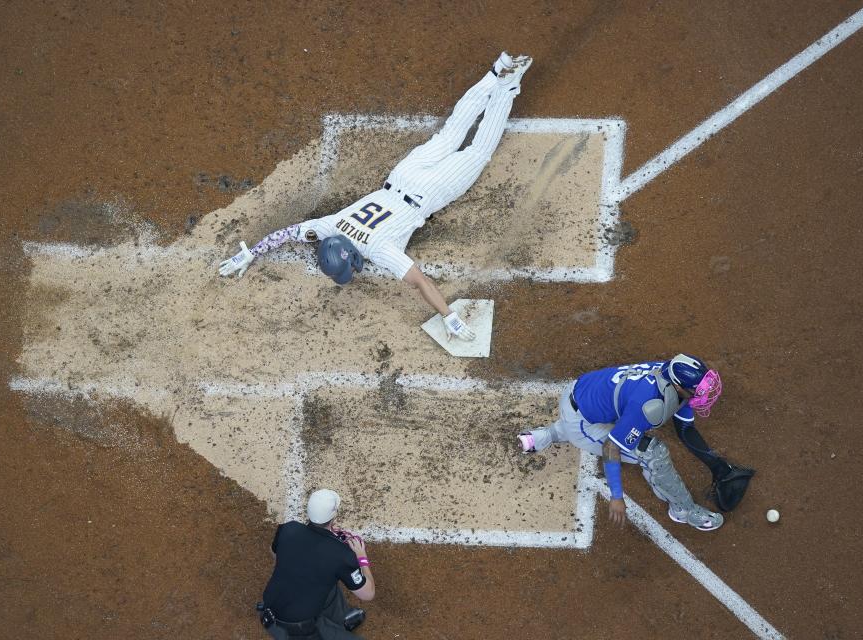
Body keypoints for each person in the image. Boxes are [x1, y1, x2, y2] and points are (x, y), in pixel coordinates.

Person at [219, 52, 533, 341]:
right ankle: (496, 72)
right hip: (402, 174)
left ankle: (507, 85)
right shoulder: (332, 225)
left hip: (431, 190)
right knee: (451, 133)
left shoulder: (378, 250)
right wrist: (252, 252)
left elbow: (421, 282)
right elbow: (288, 233)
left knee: (478, 151)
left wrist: (448, 316)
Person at [517, 354, 729, 532]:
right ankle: (683, 510)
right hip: (582, 421)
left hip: (584, 392)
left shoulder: (668, 375)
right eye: (697, 391)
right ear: (678, 385)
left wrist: (717, 466)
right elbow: (611, 447)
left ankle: (540, 437)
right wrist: (616, 496)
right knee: (652, 452)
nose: (703, 395)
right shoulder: (647, 403)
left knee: (616, 416)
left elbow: (685, 427)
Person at [258, 489, 374, 639]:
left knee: (326, 576)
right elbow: (368, 594)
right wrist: (362, 558)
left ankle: (341, 619)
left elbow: (275, 554)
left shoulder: (288, 528)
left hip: (270, 607)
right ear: (333, 516)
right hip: (296, 627)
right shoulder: (341, 555)